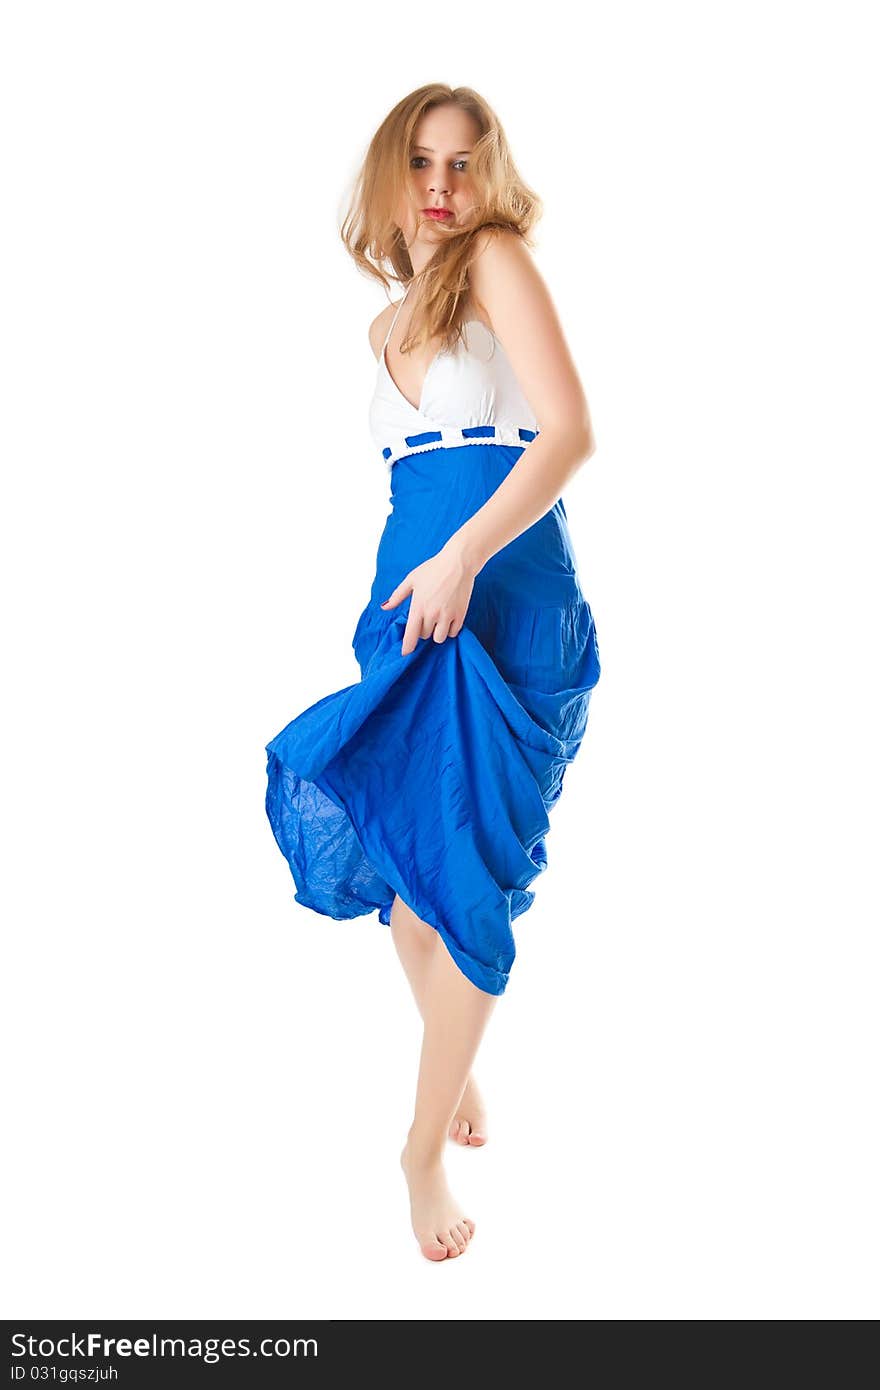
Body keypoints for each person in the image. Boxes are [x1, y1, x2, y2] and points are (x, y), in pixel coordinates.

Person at [265, 84, 601, 1262]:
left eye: (463, 163)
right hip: (405, 605)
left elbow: (567, 432)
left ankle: (417, 1149)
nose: (443, 186)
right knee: (408, 876)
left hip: (500, 597)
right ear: (388, 177)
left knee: (461, 882)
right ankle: (454, 1063)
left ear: (488, 176)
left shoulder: (499, 261)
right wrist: (422, 572)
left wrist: (463, 556)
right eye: (420, 162)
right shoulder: (384, 327)